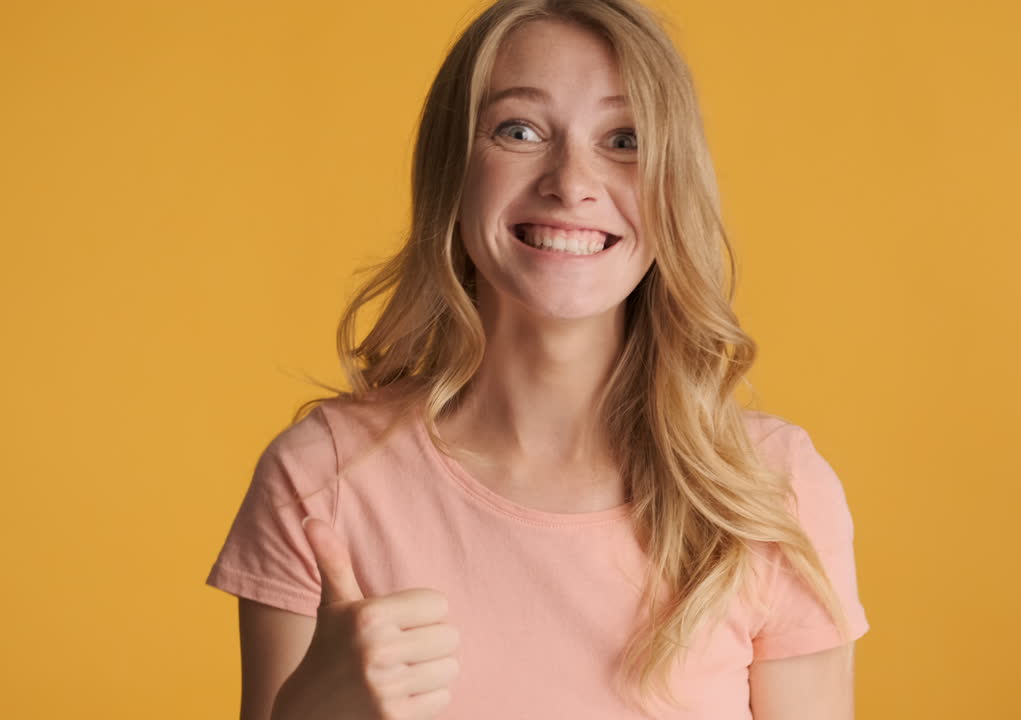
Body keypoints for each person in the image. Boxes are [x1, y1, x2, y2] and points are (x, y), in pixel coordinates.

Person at [204, 0, 870, 718]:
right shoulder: (323, 479)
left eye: (625, 139)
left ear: (674, 186)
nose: (571, 182)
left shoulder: (773, 490)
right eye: (519, 130)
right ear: (452, 169)